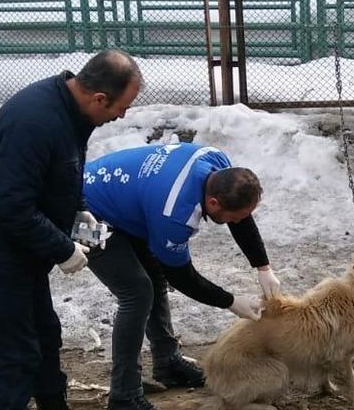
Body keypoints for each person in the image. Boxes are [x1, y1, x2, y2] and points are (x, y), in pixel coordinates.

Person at [0, 50, 142, 410]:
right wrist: (62, 248)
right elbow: (11, 206)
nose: (122, 115)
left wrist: (80, 212)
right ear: (99, 98)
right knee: (18, 353)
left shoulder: (72, 113)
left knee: (45, 335)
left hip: (23, 249)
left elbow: (61, 174)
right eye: (122, 107)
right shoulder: (35, 123)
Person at [81, 142, 282, 410]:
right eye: (232, 217)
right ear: (213, 202)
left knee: (154, 277)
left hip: (124, 203)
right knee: (137, 292)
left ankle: (168, 363)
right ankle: (124, 395)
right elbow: (181, 276)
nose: (237, 222)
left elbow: (241, 216)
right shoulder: (174, 215)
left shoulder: (218, 164)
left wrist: (263, 267)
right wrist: (231, 301)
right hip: (81, 213)